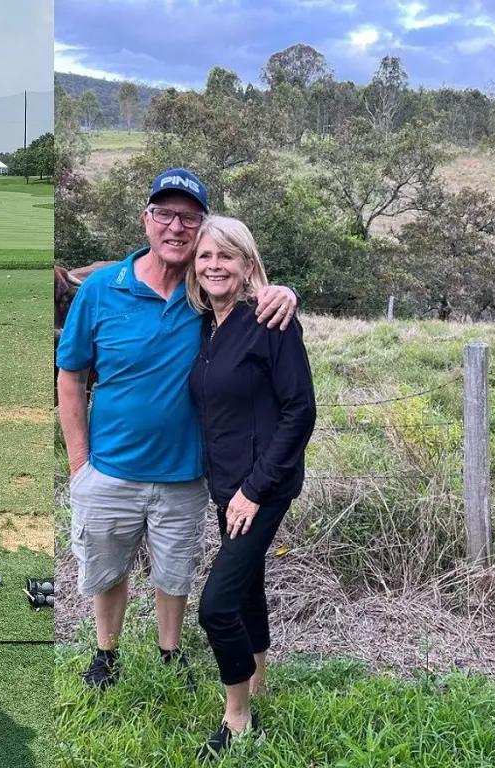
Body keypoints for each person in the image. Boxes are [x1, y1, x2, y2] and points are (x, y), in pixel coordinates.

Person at [56, 168, 300, 691]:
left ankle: (171, 653)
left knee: (174, 574)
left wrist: (284, 291)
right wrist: (79, 467)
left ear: (200, 229)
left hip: (186, 475)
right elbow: (71, 375)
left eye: (188, 218)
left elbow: (251, 295)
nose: (175, 227)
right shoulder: (102, 289)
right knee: (108, 570)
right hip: (110, 468)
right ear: (147, 220)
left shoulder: (203, 299)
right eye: (164, 214)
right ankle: (106, 653)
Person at [186, 216, 315, 760]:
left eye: (226, 256)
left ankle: (237, 719)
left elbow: (300, 410)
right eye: (204, 256)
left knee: (216, 606)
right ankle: (258, 680)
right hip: (227, 485)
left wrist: (254, 489)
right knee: (246, 588)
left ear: (247, 266)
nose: (214, 265)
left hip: (261, 487)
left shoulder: (270, 320)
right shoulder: (206, 327)